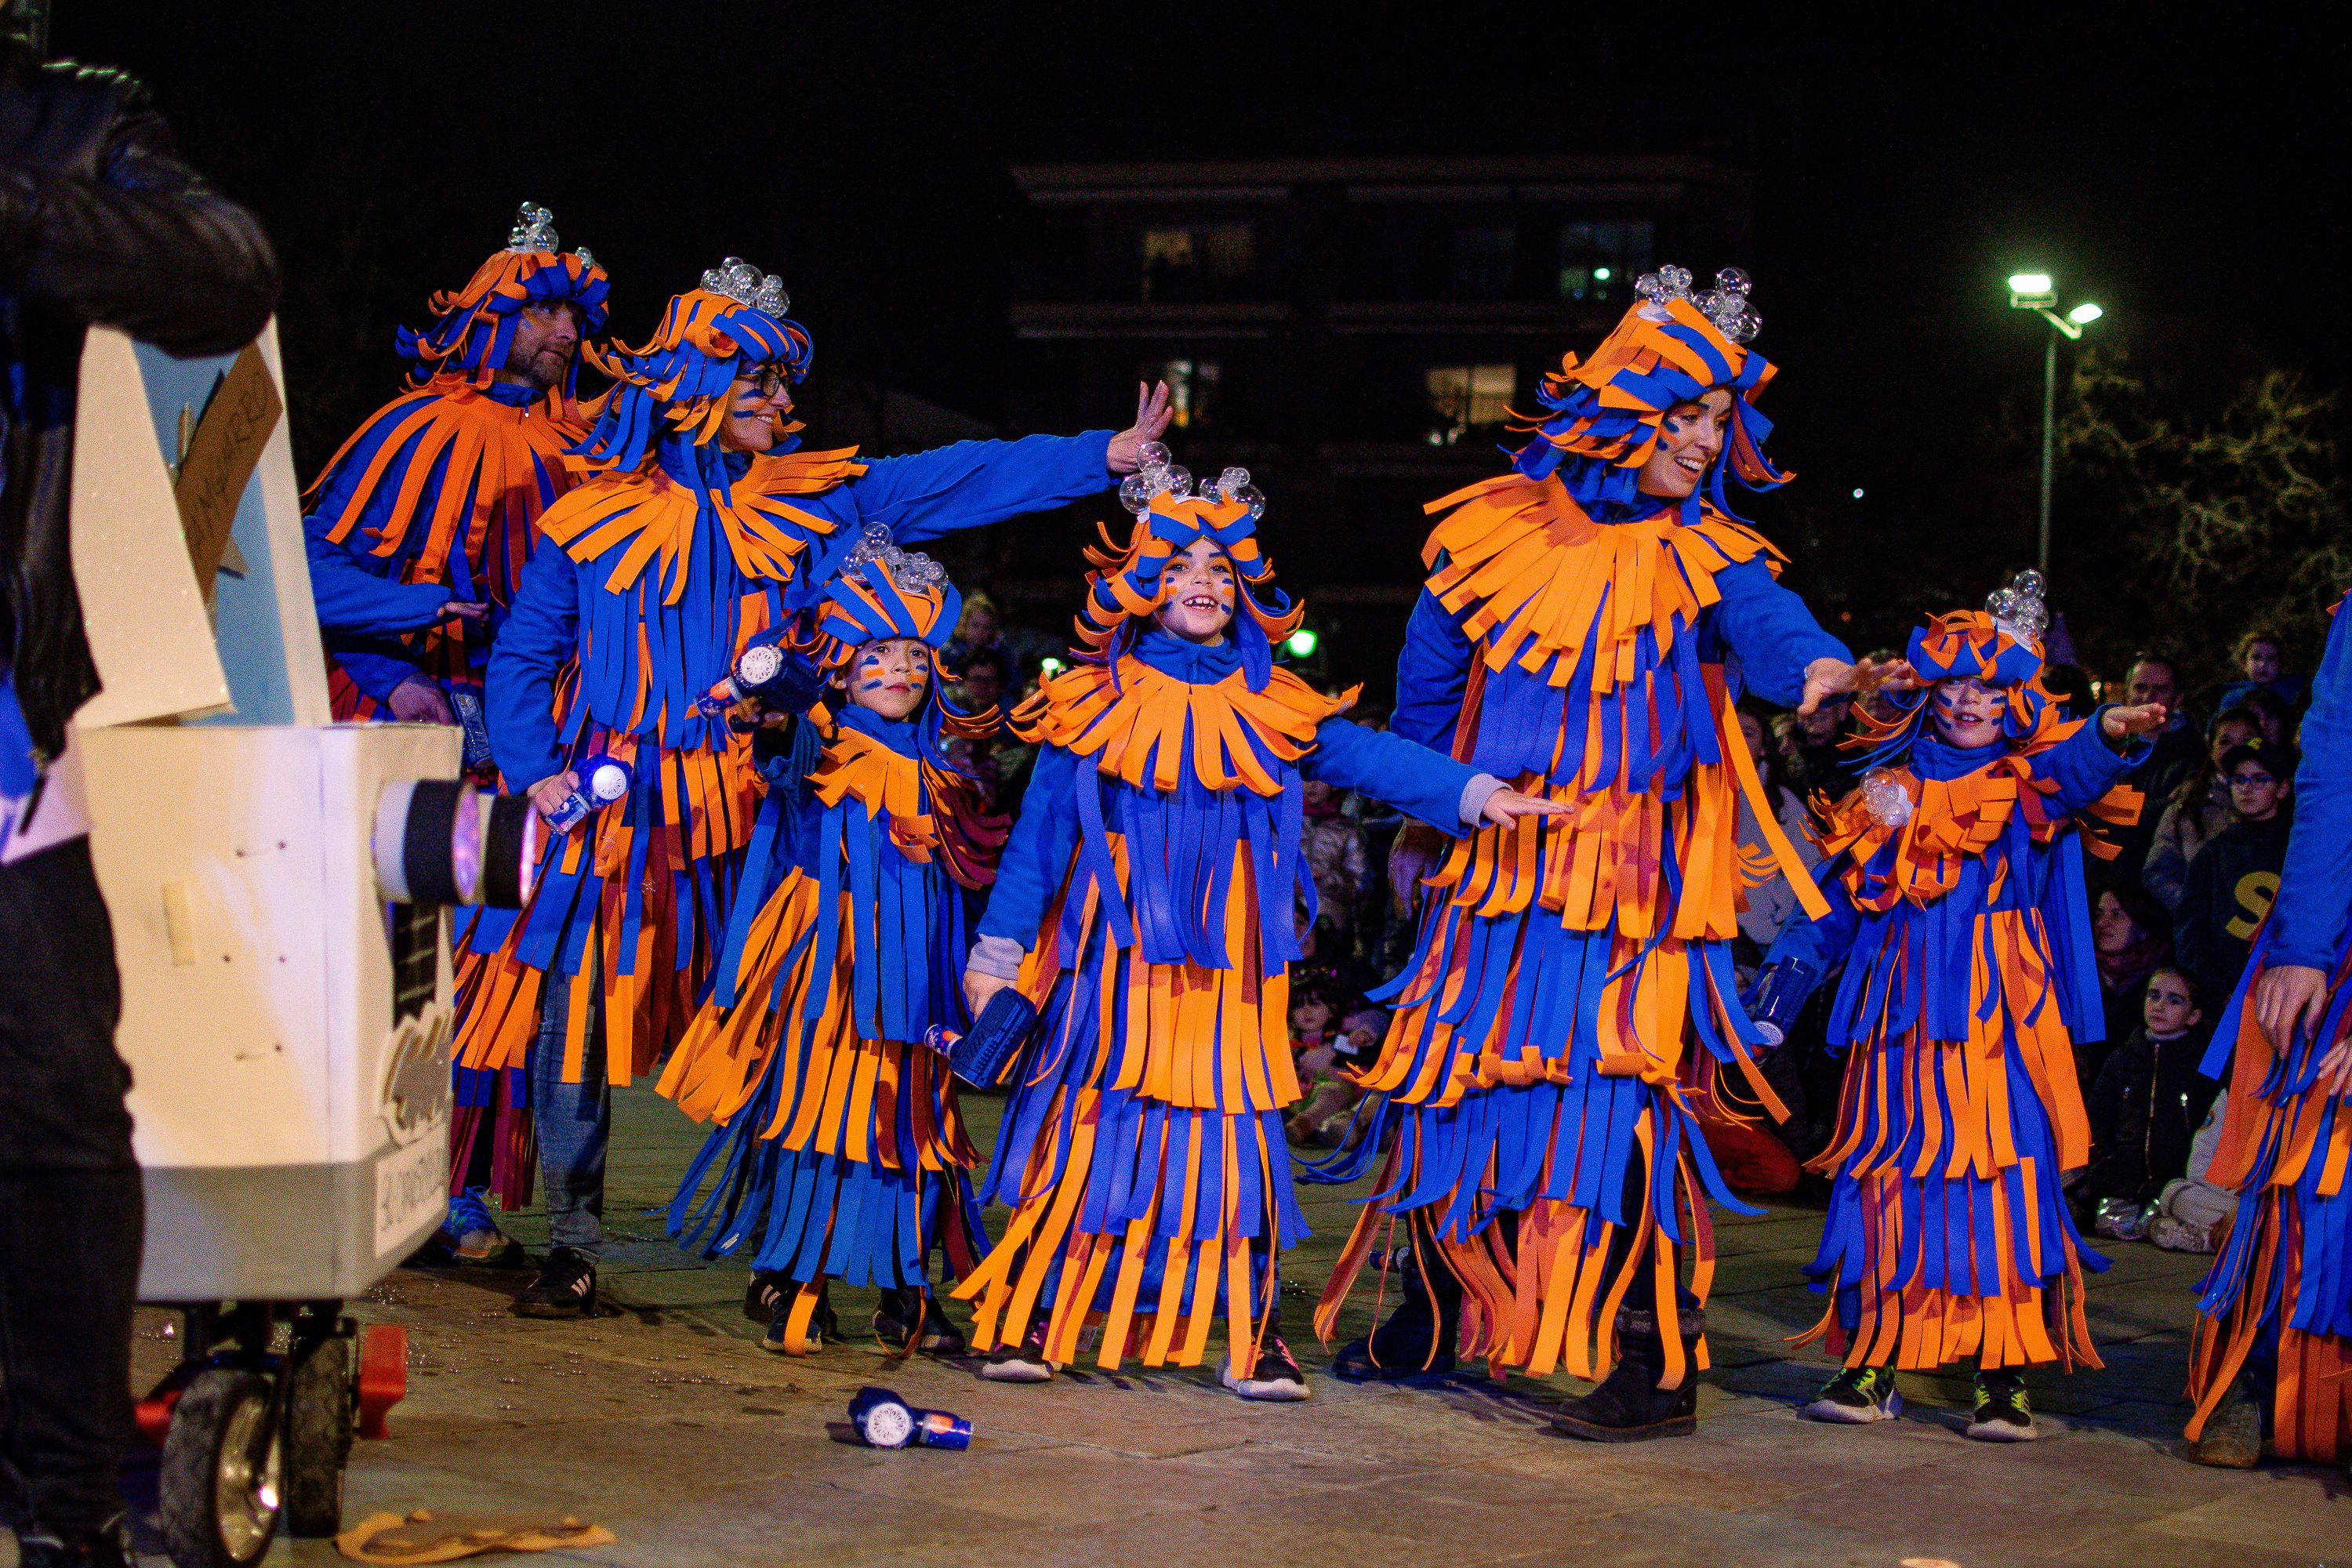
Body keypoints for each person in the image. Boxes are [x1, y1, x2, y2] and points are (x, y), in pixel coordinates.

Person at [453, 256, 1175, 1318]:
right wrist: (537, 775)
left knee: (799, 1026)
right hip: (616, 810)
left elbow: (954, 477)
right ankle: (569, 1242)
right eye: (764, 389)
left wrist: (1100, 456)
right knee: (576, 1028)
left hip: (765, 803)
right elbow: (520, 659)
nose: (785, 407)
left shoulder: (816, 502)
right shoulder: (586, 515)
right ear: (703, 384)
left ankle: (782, 1246)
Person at [1314, 266, 1893, 1442]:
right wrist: (1431, 819)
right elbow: (1428, 691)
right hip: (1494, 863)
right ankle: (1433, 1308)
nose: (1703, 439)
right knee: (1448, 1081)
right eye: (1682, 412)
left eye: (1719, 419)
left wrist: (1823, 670)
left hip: (1630, 883)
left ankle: (1652, 1362)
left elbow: (1775, 632)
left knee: (1621, 1110)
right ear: (1622, 407)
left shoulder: (1714, 550)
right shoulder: (1487, 531)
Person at [953, 468, 1562, 1400]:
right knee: (1089, 1130)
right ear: (1140, 579)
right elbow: (1041, 836)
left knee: (1234, 1143)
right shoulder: (1089, 698)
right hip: (1111, 969)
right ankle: (1049, 1310)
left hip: (1231, 968)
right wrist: (997, 954)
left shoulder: (1274, 698)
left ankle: (1252, 1329)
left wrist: (1475, 793)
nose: (1204, 577)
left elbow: (1371, 754)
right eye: (1182, 560)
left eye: (1223, 567)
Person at [1, 31, 278, 1567]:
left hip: (5, 744)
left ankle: (62, 1520)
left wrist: (29, 218)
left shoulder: (64, 117)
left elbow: (228, 270)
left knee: (53, 1131)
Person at [1759, 577, 2164, 1441]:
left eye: (1988, 687)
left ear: (2016, 697)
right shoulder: (1886, 790)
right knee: (1887, 1181)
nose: (1970, 700)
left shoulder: (2030, 781)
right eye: (1953, 687)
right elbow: (1830, 901)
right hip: (1899, 1016)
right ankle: (1872, 1358)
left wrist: (2108, 732)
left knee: (2004, 1185)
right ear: (1929, 696)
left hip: (1998, 1019)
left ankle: (2003, 1371)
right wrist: (1780, 991)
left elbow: (2075, 766)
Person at [659, 541, 998, 1356]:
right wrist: (773, 693)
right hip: (825, 963)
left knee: (913, 1116)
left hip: (918, 974)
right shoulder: (818, 740)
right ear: (844, 667)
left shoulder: (948, 771)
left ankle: (902, 1284)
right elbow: (779, 731)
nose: (900, 671)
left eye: (916, 655)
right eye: (878, 654)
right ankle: (788, 1271)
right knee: (813, 1111)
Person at [303, 204, 607, 748]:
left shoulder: (584, 449)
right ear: (493, 313)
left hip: (538, 732)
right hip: (403, 717)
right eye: (543, 309)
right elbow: (309, 569)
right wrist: (393, 671)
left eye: (574, 317)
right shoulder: (415, 428)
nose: (567, 332)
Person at [2185, 598, 2352, 1475]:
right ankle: (2253, 1376)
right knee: (2305, 1158)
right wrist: (2305, 943)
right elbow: (2334, 767)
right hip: (2339, 925)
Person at [2078, 966, 2214, 1241]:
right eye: (2154, 996)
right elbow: (2097, 1117)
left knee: (2182, 1218)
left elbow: (2208, 1129)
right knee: (2094, 1218)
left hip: (2173, 1186)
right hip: (2121, 1182)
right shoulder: (2122, 1060)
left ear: (2194, 1015)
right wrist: (2104, 1163)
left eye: (2174, 1000)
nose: (2160, 1006)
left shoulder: (2202, 1068)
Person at [2174, 739, 2295, 1018]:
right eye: (2239, 780)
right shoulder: (2214, 853)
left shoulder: (2301, 849)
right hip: (2226, 998)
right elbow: (2190, 930)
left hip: (2289, 989)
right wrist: (2216, 988)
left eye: (2259, 779)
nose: (2246, 788)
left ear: (2283, 788)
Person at [2142, 704, 2264, 913]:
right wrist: (2198, 912)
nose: (2236, 749)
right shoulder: (2187, 807)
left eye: (2247, 741)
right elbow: (2158, 872)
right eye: (2225, 741)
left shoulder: (2278, 801)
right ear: (2210, 745)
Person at [2111, 654, 2201, 878]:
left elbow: (2173, 815)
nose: (2148, 697)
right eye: (2140, 687)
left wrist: (2110, 806)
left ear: (2178, 698)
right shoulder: (2105, 744)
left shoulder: (2195, 752)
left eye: (2160, 689)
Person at [2089, 883, 2172, 1091]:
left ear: (2142, 926)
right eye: (2099, 915)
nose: (2102, 924)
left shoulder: (2163, 979)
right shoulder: (2082, 974)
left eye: (2117, 915)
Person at [1300, 775, 1369, 939]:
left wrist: (1328, 879)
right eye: (1306, 777)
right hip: (1286, 922)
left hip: (1331, 927)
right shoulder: (1284, 825)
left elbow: (1360, 886)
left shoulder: (1347, 831)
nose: (1312, 784)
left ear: (1334, 785)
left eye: (1320, 778)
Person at [2214, 630, 2307, 717]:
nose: (2263, 664)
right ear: (2244, 664)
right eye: (2256, 658)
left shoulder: (2296, 692)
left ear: (2280, 664)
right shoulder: (2233, 698)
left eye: (2271, 658)